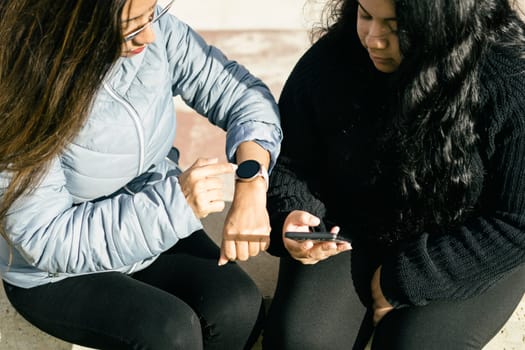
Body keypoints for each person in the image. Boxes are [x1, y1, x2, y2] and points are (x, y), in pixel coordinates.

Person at [0, 0, 282, 349]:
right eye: (132, 26)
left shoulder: (154, 30)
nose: (149, 34)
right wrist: (174, 206)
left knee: (237, 306)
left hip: (151, 226)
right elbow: (46, 238)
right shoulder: (15, 88)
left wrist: (252, 181)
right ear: (74, 23)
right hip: (56, 271)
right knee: (169, 333)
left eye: (152, 14)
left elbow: (242, 94)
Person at [263, 0, 525, 349]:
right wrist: (292, 211)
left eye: (394, 25)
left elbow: (517, 221)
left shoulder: (508, 79)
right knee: (301, 341)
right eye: (365, 15)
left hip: (470, 239)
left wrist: (403, 278)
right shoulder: (332, 60)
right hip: (356, 227)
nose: (373, 38)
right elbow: (292, 158)